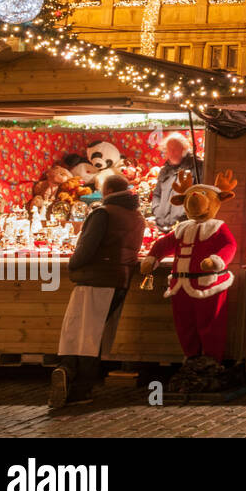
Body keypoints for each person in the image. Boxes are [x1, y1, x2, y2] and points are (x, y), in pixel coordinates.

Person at [49, 175, 145, 408]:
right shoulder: (138, 217)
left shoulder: (104, 213)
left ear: (108, 190)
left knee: (79, 332)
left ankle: (73, 378)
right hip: (119, 280)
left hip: (95, 278)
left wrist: (73, 263)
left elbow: (86, 248)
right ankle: (74, 378)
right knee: (94, 335)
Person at [151, 132, 204, 231]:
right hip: (162, 226)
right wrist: (157, 210)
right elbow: (156, 195)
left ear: (184, 149)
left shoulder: (197, 167)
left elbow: (202, 194)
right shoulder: (164, 171)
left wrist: (186, 214)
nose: (171, 152)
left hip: (186, 227)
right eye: (169, 149)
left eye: (175, 149)